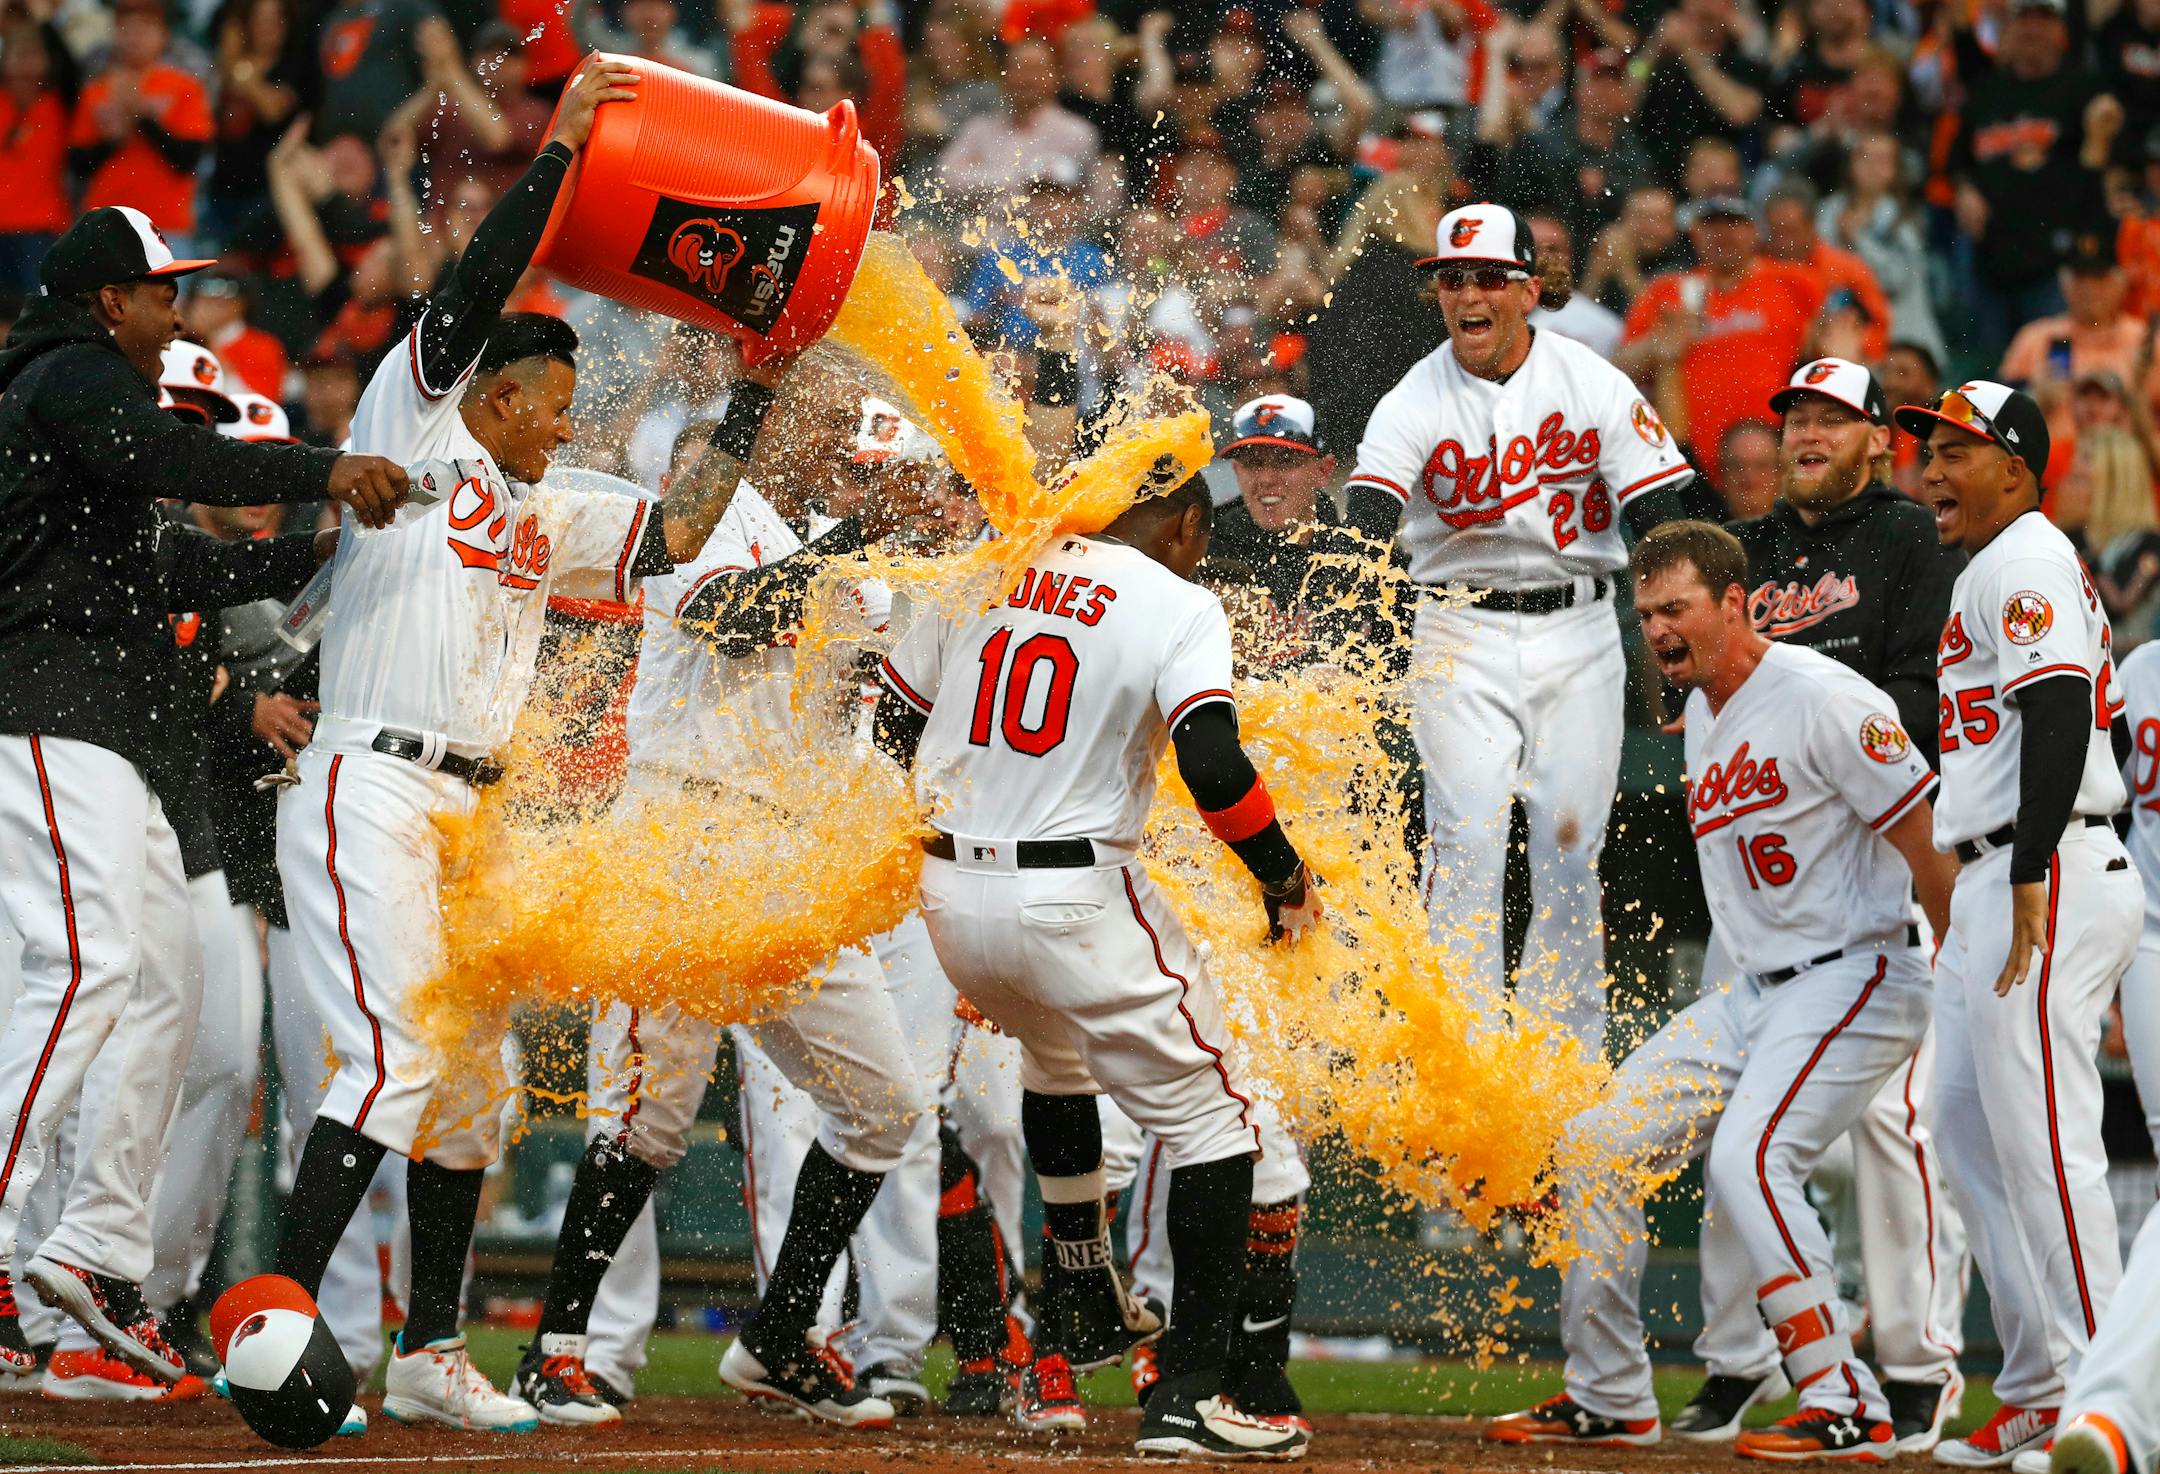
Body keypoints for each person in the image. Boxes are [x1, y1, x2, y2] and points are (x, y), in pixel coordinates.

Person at [255, 63, 795, 1437]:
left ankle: (431, 1349)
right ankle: (270, 1324)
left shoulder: (539, 502)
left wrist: (751, 396)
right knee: (391, 1060)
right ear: (493, 391)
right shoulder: (414, 414)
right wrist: (559, 156)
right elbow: (468, 291)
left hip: (468, 808)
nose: (572, 418)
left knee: (473, 1093)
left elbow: (676, 536)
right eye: (554, 398)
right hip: (370, 775)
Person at [0, 202, 403, 1383]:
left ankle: (97, 1250)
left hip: (103, 731)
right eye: (162, 291)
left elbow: (190, 557)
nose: (177, 310)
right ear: (108, 300)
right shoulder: (65, 375)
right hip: (44, 708)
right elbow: (178, 459)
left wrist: (328, 542)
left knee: (167, 984)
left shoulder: (84, 426)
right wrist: (329, 468)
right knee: (83, 969)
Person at [873, 473, 1320, 1460]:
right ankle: (1192, 1395)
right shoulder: (1180, 600)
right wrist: (1284, 876)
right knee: (1222, 1118)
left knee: (1054, 1061)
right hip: (1072, 890)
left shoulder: (994, 565)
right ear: (1189, 523)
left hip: (952, 891)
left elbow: (891, 729)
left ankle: (1078, 1290)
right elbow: (1212, 765)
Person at [1487, 519, 1955, 1459]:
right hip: (1756, 993)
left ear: (1736, 603)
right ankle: (1612, 1392)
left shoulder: (1827, 699)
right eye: (1646, 610)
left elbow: (1925, 845)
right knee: (1595, 1147)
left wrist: (1966, 985)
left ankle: (1842, 1397)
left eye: (1677, 607)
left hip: (1859, 970)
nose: (1657, 628)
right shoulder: (1701, 709)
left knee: (1750, 1161)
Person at [1669, 360, 1970, 1453]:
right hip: (1769, 867)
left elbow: (1929, 694)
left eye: (1832, 417)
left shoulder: (1909, 539)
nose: (1806, 431)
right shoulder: (1756, 550)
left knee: (1896, 1126)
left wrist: (1799, 707)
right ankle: (1742, 1355)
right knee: (1730, 1126)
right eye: (1795, 414)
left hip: (1880, 849)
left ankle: (1914, 1361)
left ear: (1877, 441)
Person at [1344, 202, 1693, 1056]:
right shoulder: (1415, 396)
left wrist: (1684, 652)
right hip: (1457, 633)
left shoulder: (1591, 380)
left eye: (1488, 278)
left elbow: (1662, 514)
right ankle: (1460, 1067)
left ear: (1529, 291)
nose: (1467, 293)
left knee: (1570, 852)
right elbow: (1366, 517)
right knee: (1465, 844)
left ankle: (1560, 1065)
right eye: (1452, 279)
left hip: (1580, 635)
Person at [1895, 379, 2142, 1467]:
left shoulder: (2028, 556)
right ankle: (2042, 1381)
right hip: (2010, 865)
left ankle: (2111, 1404)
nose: (1931, 469)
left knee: (2049, 1146)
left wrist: (2036, 863)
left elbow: (2059, 712)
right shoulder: (1999, 566)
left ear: (2018, 464)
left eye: (1956, 449)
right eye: (1927, 450)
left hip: (2044, 864)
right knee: (1961, 1126)